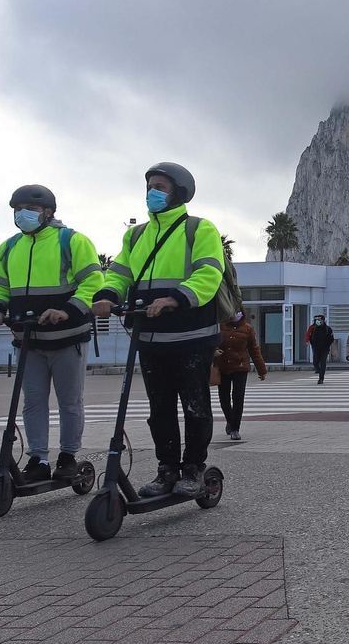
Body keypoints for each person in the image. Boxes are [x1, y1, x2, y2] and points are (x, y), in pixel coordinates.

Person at [92, 163, 226, 497]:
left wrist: (177, 298)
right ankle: (167, 470)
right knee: (159, 408)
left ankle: (193, 469)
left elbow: (209, 273)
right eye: (150, 186)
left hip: (192, 336)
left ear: (179, 192)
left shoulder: (198, 230)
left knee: (195, 406)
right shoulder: (136, 235)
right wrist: (108, 295)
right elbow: (120, 272)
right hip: (150, 337)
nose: (152, 192)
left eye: (160, 186)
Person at [0, 185, 103, 482]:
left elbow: (94, 281)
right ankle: (38, 458)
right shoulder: (10, 247)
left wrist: (68, 309)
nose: (22, 215)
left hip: (68, 339)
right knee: (33, 401)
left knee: (69, 401)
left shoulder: (71, 240)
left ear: (49, 212)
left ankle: (68, 456)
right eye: (17, 209)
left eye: (31, 210)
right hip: (28, 340)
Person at [213, 309, 266, 441]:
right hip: (223, 365)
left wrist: (261, 370)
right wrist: (214, 351)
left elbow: (254, 349)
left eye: (238, 312)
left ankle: (235, 428)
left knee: (238, 397)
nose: (235, 314)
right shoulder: (220, 326)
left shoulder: (247, 328)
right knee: (224, 398)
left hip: (240, 367)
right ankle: (230, 420)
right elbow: (211, 342)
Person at [306, 313, 334, 384]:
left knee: (323, 363)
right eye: (316, 320)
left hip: (324, 349)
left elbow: (331, 339)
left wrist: (327, 345)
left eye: (319, 320)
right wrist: (313, 345)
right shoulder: (314, 329)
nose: (317, 321)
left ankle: (321, 378)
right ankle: (319, 370)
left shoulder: (328, 329)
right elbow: (310, 337)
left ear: (323, 321)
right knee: (315, 363)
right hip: (316, 349)